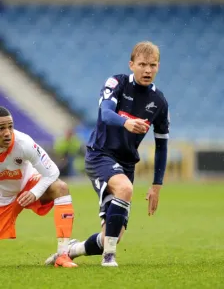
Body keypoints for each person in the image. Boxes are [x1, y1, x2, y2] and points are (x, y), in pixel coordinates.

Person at [45, 41, 170, 267]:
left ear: (158, 67)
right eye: (142, 64)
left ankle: (72, 250)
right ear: (131, 64)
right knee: (125, 188)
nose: (147, 70)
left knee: (112, 235)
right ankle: (109, 258)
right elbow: (105, 114)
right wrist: (127, 123)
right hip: (100, 154)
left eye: (152, 65)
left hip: (126, 164)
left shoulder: (159, 101)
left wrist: (156, 185)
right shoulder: (117, 83)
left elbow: (162, 144)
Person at [0, 106, 77, 267]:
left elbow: (52, 171)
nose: (7, 133)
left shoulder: (23, 143)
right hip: (3, 197)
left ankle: (63, 255)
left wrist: (35, 192)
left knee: (60, 188)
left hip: (29, 185)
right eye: (1, 128)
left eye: (10, 126)